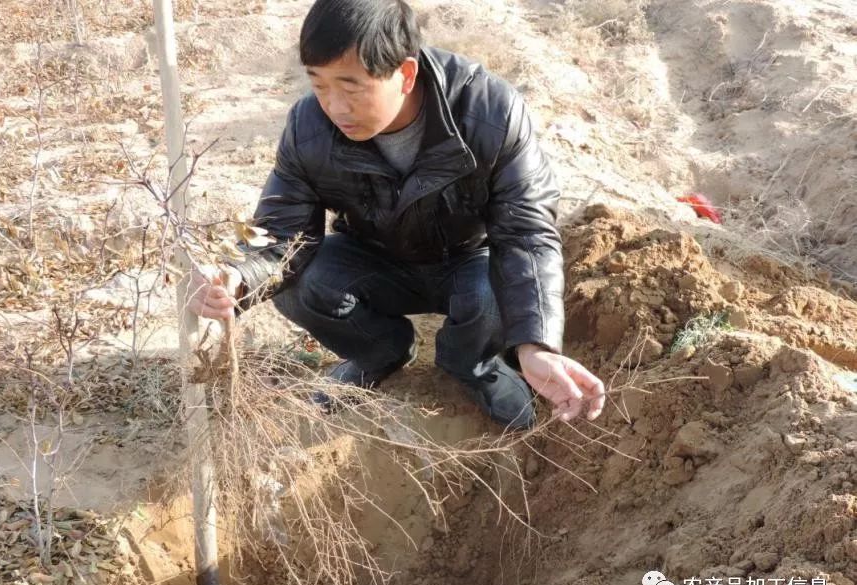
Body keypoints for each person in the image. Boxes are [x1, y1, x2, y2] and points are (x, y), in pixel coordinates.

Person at [187, 0, 605, 429]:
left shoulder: (490, 113)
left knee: (495, 295)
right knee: (300, 282)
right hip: (373, 255)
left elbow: (526, 234)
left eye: (351, 88)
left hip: (467, 258)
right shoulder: (308, 129)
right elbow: (282, 234)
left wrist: (535, 347)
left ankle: (473, 364)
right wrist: (237, 279)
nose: (335, 107)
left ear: (405, 75)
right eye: (319, 86)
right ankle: (377, 350)